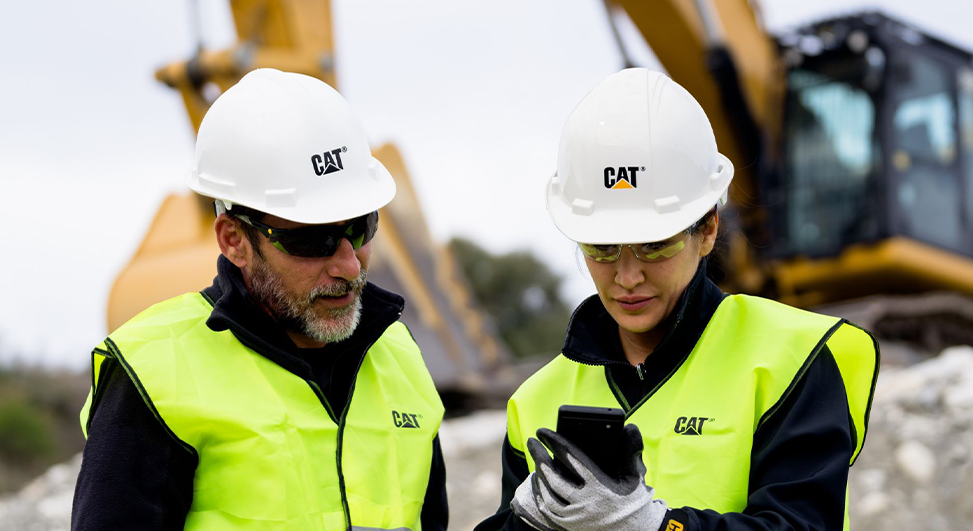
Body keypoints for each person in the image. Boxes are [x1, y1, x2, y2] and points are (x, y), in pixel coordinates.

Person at [476, 68, 877, 531]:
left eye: (653, 244)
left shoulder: (791, 361)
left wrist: (655, 526)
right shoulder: (535, 402)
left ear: (707, 230)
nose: (627, 276)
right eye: (602, 248)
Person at [72, 69, 447, 531]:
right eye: (314, 240)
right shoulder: (152, 375)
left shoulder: (401, 359)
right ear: (234, 239)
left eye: (359, 228)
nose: (349, 266)